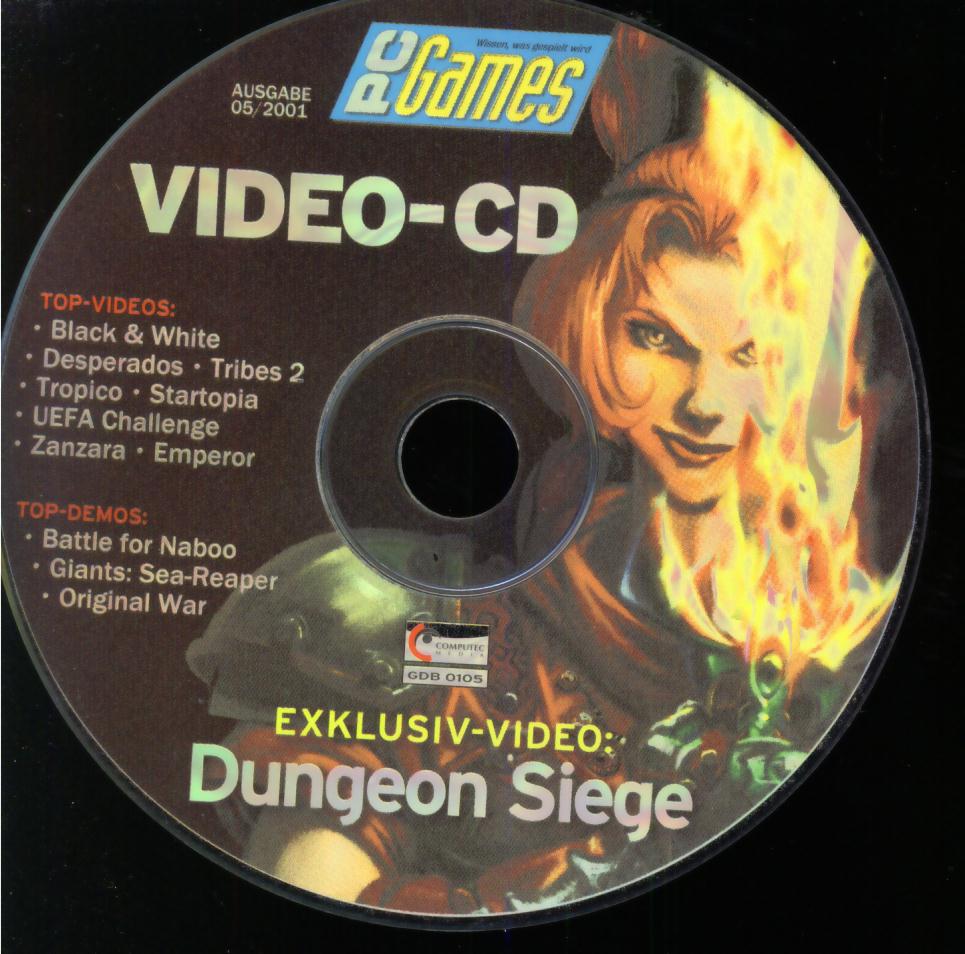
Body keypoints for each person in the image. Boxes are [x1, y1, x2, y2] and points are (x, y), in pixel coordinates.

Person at [187, 26, 909, 915]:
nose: (704, 403)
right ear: (590, 329)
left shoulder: (837, 641)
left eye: (749, 354)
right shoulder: (444, 634)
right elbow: (307, 894)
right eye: (657, 339)